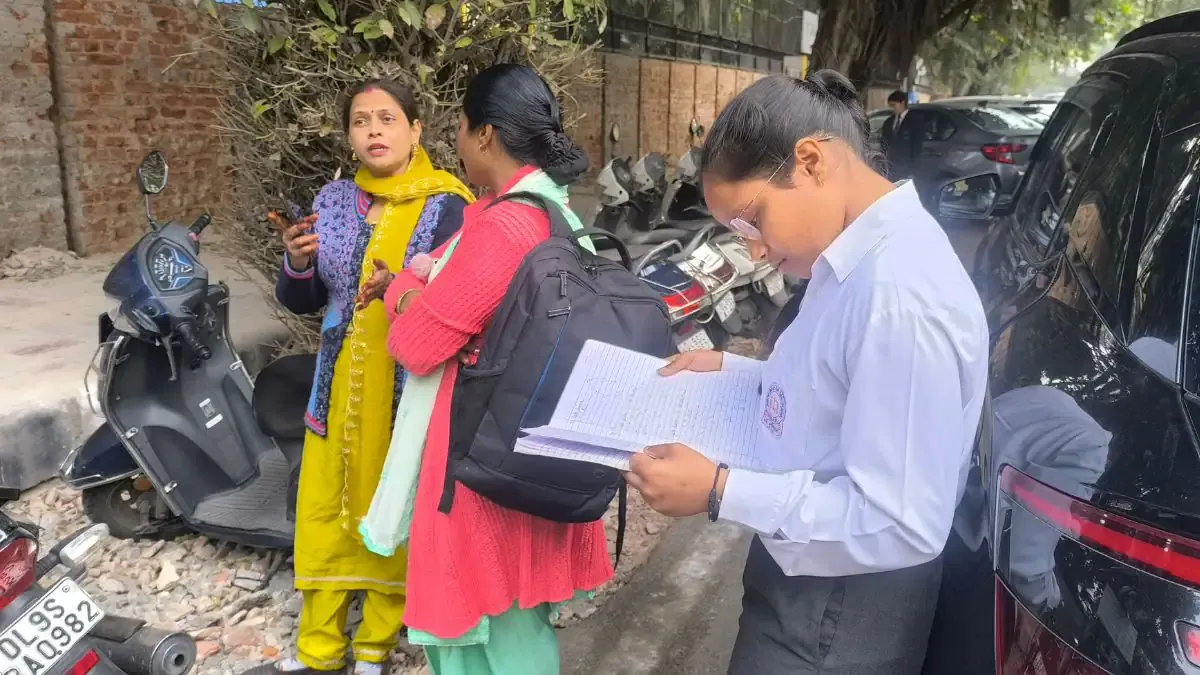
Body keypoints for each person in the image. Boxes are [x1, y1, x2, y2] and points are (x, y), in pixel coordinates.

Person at [623, 70, 989, 675]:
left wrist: (719, 490)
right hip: (809, 576)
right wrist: (738, 373)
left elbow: (899, 521)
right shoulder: (847, 258)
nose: (756, 249)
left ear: (812, 161)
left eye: (753, 220)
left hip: (842, 607)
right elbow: (827, 390)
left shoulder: (898, 296)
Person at [379, 64, 612, 675]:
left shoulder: (506, 227)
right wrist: (417, 289)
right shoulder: (553, 212)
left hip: (480, 469)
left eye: (458, 127)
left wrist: (402, 294)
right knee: (508, 621)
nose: (455, 141)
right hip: (522, 449)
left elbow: (414, 342)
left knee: (493, 632)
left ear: (484, 135)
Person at [251, 79, 474, 675]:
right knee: (323, 509)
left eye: (387, 119)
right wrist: (297, 263)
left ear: (416, 129)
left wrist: (406, 289)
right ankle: (318, 649)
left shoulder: (449, 205)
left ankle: (375, 645)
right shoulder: (331, 201)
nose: (374, 131)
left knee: (392, 501)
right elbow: (305, 299)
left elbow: (464, 302)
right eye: (360, 121)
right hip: (336, 385)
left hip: (406, 384)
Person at [880, 89, 913, 179]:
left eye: (894, 105)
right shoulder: (889, 122)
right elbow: (884, 142)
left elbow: (916, 145)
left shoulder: (914, 121)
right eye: (890, 106)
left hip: (906, 166)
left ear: (902, 103)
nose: (892, 108)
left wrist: (913, 169)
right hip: (891, 166)